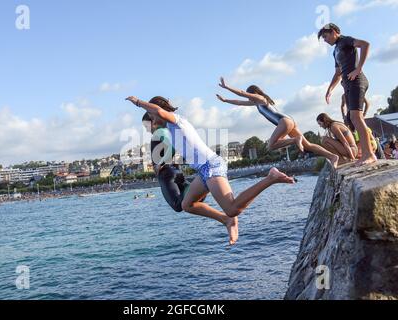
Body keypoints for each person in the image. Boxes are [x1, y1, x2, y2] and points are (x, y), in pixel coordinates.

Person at [127, 95, 295, 246]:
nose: (153, 122)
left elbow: (158, 111)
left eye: (152, 118)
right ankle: (226, 220)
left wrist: (138, 102)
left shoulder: (175, 120)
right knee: (187, 205)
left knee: (233, 208)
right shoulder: (172, 129)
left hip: (211, 165)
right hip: (203, 171)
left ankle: (270, 178)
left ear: (159, 112)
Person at [216, 77, 339, 168]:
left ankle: (295, 140)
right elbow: (239, 102)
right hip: (288, 121)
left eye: (250, 96)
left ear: (254, 93)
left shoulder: (261, 98)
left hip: (284, 122)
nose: (248, 98)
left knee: (271, 145)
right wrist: (225, 100)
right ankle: (333, 157)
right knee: (308, 146)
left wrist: (227, 87)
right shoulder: (257, 103)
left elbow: (242, 93)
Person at [319, 23, 377, 166]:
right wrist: (329, 89)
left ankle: (369, 154)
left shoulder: (345, 40)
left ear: (334, 32)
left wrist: (358, 69)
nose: (325, 40)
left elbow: (365, 44)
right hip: (349, 85)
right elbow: (338, 73)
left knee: (356, 117)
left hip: (357, 81)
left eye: (326, 36)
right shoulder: (335, 51)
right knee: (353, 118)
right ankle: (366, 154)